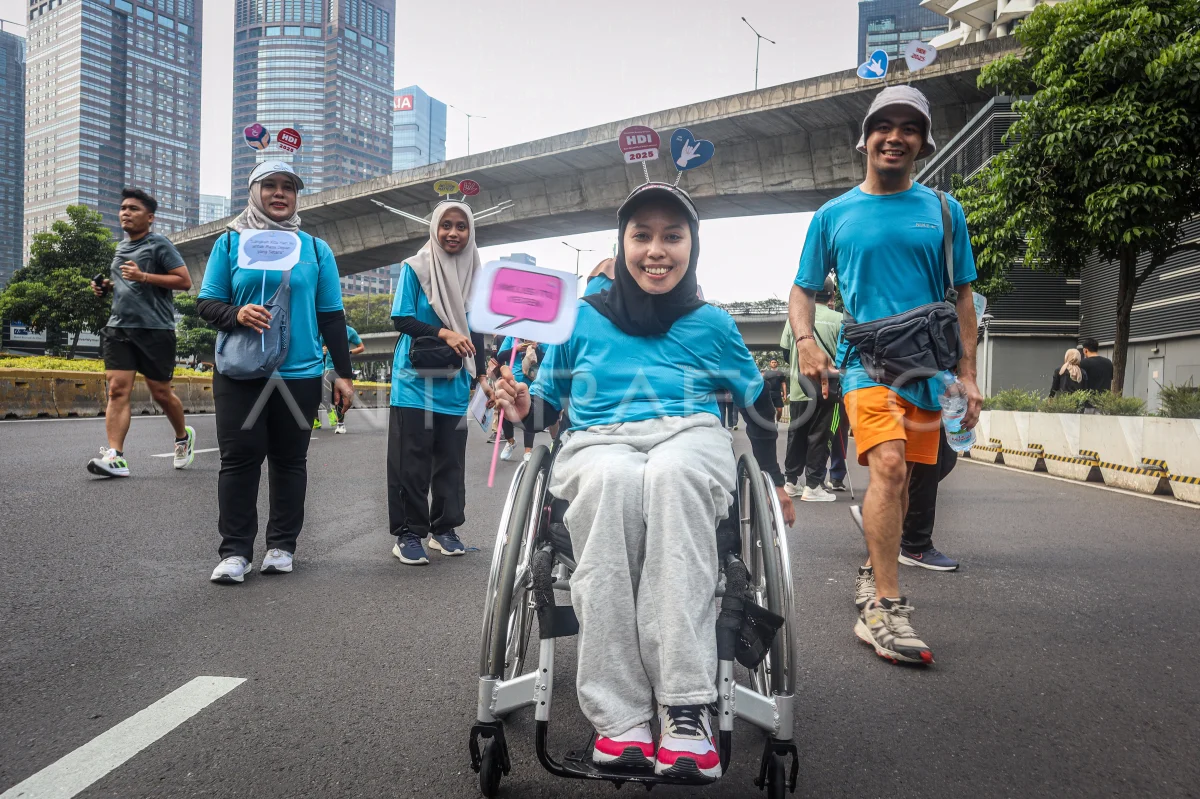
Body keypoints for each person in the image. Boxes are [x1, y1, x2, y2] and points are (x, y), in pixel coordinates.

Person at [493, 182, 795, 780]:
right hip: (599, 440)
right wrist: (524, 405)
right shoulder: (580, 318)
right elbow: (546, 404)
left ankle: (685, 707)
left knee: (672, 475)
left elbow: (756, 403)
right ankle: (621, 716)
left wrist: (775, 480)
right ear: (622, 244)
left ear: (691, 248)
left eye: (672, 236)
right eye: (642, 236)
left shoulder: (712, 323)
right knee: (614, 480)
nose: (657, 250)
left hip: (689, 435)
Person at [790, 85, 982, 665]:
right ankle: (885, 609)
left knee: (902, 484)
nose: (895, 137)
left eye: (909, 128)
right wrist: (806, 342)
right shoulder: (833, 215)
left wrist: (968, 374)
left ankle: (874, 570)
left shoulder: (945, 211)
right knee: (890, 465)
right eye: (884, 126)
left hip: (928, 370)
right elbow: (802, 289)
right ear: (865, 138)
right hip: (866, 363)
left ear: (923, 143)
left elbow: (964, 296)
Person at [197, 161, 354, 584]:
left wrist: (343, 374)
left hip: (299, 374)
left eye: (289, 187)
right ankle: (235, 552)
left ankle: (282, 546)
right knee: (238, 461)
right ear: (254, 192)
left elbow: (332, 316)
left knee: (289, 461)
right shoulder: (230, 242)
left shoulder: (315, 249)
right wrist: (236, 313)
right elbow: (207, 303)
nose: (280, 193)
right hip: (240, 372)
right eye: (270, 185)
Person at [387, 201, 489, 566]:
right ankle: (409, 534)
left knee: (450, 462)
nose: (453, 233)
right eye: (446, 225)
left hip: (454, 381)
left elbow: (476, 329)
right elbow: (402, 319)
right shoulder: (416, 267)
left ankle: (444, 529)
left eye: (461, 226)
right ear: (434, 228)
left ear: (470, 231)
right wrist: (445, 332)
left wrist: (481, 376)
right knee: (410, 463)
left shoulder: (475, 272)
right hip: (414, 381)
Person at [87, 188, 195, 478]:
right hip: (119, 327)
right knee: (117, 390)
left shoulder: (159, 244)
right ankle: (115, 456)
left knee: (160, 393)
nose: (126, 212)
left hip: (155, 329)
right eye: (123, 208)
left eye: (133, 208)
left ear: (150, 217)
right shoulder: (120, 248)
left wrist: (143, 276)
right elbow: (126, 284)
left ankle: (183, 437)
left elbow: (184, 281)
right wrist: (106, 287)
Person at [780, 276, 841, 502]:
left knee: (796, 434)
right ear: (832, 295)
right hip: (828, 390)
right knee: (821, 436)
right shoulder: (839, 320)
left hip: (799, 386)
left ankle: (791, 482)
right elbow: (845, 356)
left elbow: (786, 353)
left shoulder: (794, 320)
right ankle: (813, 485)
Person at [491, 337, 546, 461]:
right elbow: (500, 356)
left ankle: (528, 450)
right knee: (504, 411)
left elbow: (547, 359)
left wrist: (536, 349)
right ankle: (510, 441)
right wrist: (516, 349)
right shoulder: (512, 337)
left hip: (532, 382)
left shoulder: (540, 336)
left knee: (530, 413)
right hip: (512, 381)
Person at [314, 324, 364, 433]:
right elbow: (318, 346)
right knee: (324, 394)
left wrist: (349, 352)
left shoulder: (350, 331)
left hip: (342, 368)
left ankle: (340, 424)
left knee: (340, 396)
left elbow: (361, 347)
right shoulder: (327, 330)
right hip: (328, 367)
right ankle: (329, 411)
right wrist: (322, 350)